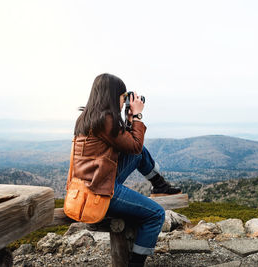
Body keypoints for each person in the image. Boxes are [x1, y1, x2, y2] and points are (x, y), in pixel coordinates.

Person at [72, 73, 181, 267]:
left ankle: (159, 185)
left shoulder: (90, 116)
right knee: (156, 214)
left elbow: (131, 146)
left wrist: (129, 119)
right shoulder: (105, 119)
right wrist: (138, 116)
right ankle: (136, 264)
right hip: (99, 190)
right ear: (113, 96)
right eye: (123, 97)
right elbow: (135, 145)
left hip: (95, 181)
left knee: (138, 154)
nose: (124, 101)